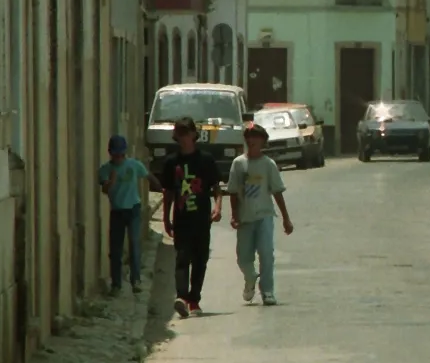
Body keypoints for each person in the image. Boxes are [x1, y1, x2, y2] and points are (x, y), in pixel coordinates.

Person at [159, 118, 222, 318]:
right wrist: (166, 218)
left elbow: (216, 187)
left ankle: (194, 300)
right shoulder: (171, 162)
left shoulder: (205, 160)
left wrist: (218, 207)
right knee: (182, 258)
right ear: (176, 136)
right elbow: (168, 192)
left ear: (194, 135)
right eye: (180, 134)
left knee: (200, 258)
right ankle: (181, 298)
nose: (184, 138)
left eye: (187, 133)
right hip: (182, 218)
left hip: (202, 218)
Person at [227, 123, 293, 306]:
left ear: (263, 141)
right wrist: (234, 215)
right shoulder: (238, 163)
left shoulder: (268, 164)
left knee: (266, 253)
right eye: (249, 136)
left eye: (256, 137)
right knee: (243, 257)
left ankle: (268, 291)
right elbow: (233, 191)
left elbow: (277, 192)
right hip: (245, 217)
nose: (252, 140)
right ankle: (250, 278)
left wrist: (286, 218)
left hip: (264, 215)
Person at [97, 135, 153, 293]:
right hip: (117, 211)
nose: (119, 158)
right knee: (116, 249)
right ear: (111, 154)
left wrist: (163, 188)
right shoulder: (106, 170)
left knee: (134, 244)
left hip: (133, 209)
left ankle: (136, 280)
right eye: (116, 155)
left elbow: (148, 176)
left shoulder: (133, 165)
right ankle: (116, 283)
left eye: (121, 154)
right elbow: (104, 189)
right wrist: (111, 182)